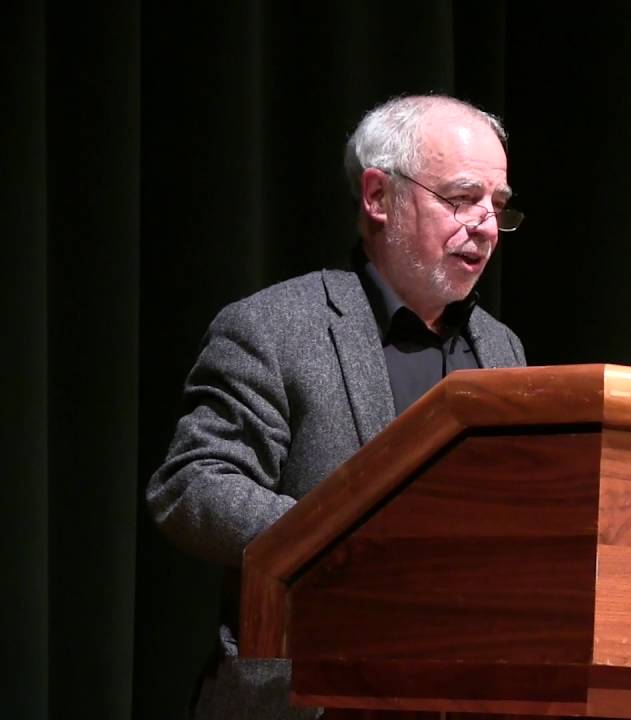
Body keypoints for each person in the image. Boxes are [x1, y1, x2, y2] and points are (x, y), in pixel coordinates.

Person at [147, 94, 527, 720]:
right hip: (312, 695)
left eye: (498, 205)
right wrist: (342, 541)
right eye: (462, 198)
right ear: (378, 198)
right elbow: (192, 485)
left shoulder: (502, 348)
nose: (485, 223)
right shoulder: (275, 327)